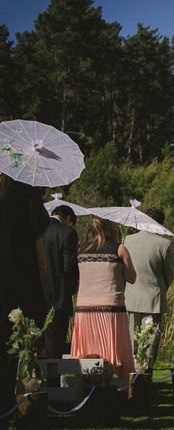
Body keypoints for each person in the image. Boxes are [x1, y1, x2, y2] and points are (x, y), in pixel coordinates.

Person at [0, 174, 49, 430]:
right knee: (22, 355)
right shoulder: (32, 205)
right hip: (23, 290)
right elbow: (42, 265)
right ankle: (20, 410)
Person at [70, 217, 136, 379]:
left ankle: (87, 383)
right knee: (113, 351)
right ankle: (117, 384)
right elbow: (132, 277)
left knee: (88, 352)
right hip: (111, 308)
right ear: (111, 228)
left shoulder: (81, 249)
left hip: (84, 308)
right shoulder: (119, 249)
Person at [124, 207, 174, 372]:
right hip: (153, 299)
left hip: (130, 298)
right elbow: (170, 274)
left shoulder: (127, 240)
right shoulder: (164, 244)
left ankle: (130, 376)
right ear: (160, 224)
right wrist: (160, 287)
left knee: (131, 341)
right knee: (150, 344)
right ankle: (145, 376)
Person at [41, 205, 79, 358]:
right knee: (55, 346)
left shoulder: (36, 231)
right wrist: (71, 291)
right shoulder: (68, 233)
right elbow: (68, 268)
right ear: (68, 219)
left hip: (36, 296)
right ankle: (53, 381)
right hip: (58, 298)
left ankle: (35, 380)